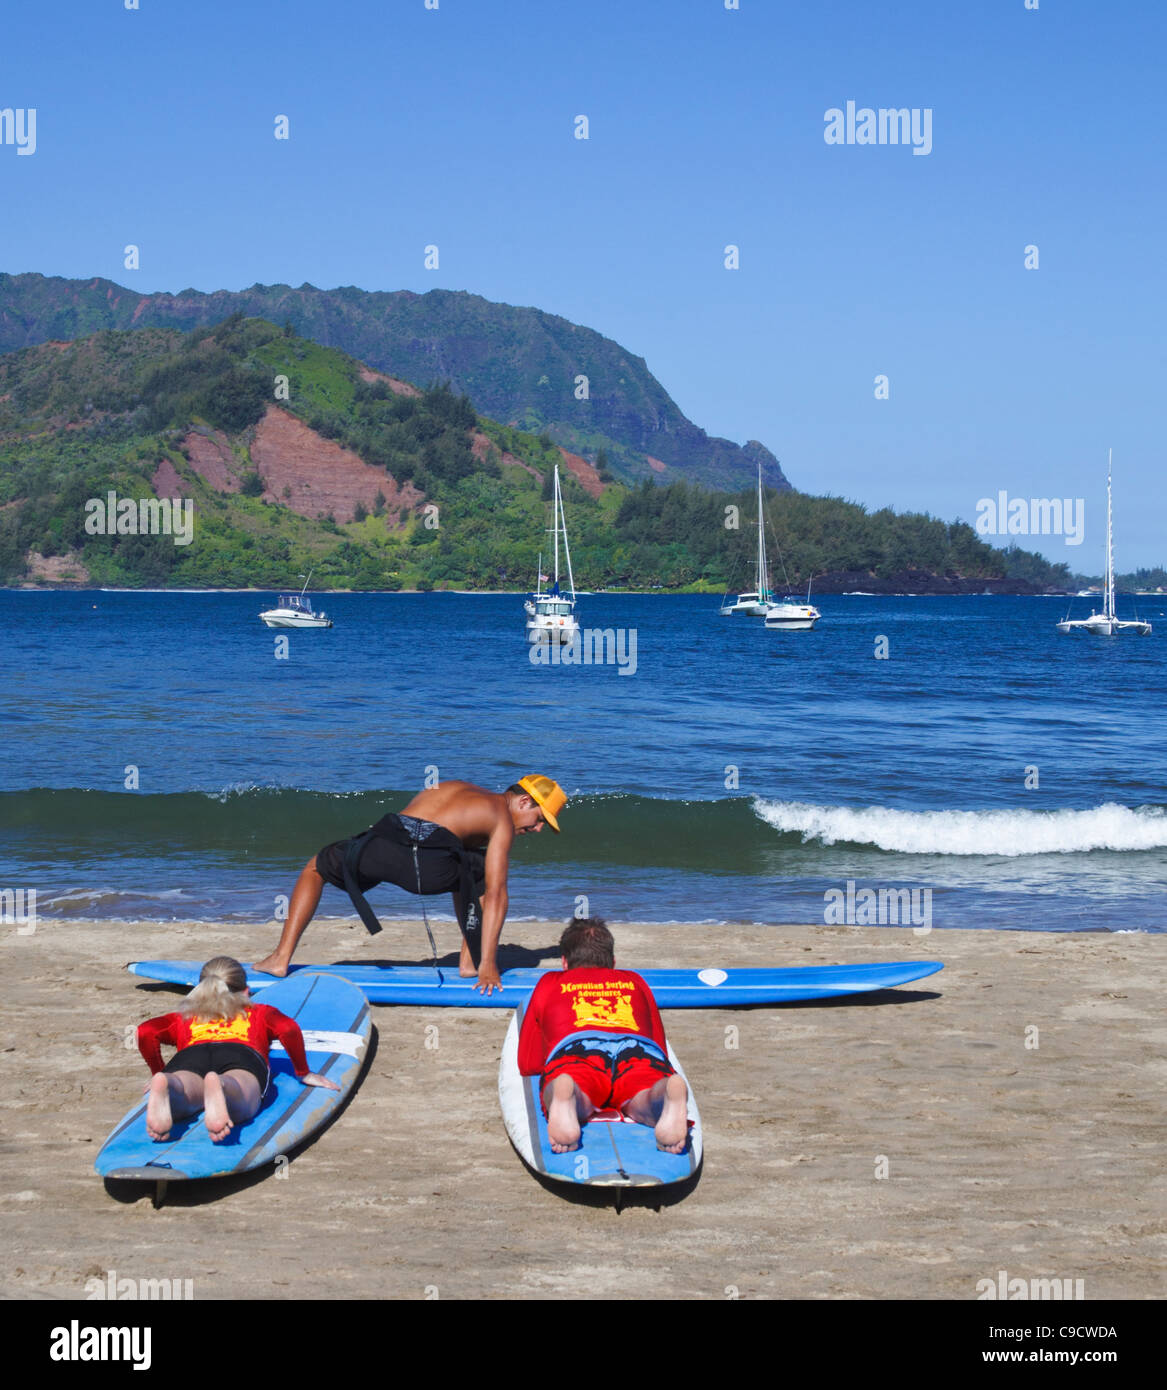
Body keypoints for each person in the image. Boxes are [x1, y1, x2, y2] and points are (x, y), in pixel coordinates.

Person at [255, 776, 567, 995]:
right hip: (427, 865)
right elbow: (496, 895)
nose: (537, 828)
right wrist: (490, 964)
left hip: (381, 843)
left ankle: (280, 958)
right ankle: (474, 963)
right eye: (539, 819)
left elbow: (410, 823)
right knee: (483, 874)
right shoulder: (500, 817)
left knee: (316, 866)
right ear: (524, 800)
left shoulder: (454, 786)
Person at [517, 918, 689, 1154]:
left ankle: (568, 1092)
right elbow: (659, 1046)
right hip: (637, 1049)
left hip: (578, 1050)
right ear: (614, 963)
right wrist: (660, 1070)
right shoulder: (635, 980)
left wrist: (550, 1071)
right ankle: (662, 1093)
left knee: (577, 1087)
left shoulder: (549, 982)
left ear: (564, 963)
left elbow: (529, 1063)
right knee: (643, 1092)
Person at [136, 956, 338, 1143]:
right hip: (242, 1055)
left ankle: (169, 1084)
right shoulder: (259, 1012)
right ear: (246, 991)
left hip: (191, 1056)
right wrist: (303, 1072)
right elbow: (288, 1028)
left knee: (185, 1088)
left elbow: (145, 1032)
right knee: (241, 1091)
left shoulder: (184, 1017)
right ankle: (222, 1085)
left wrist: (159, 1072)